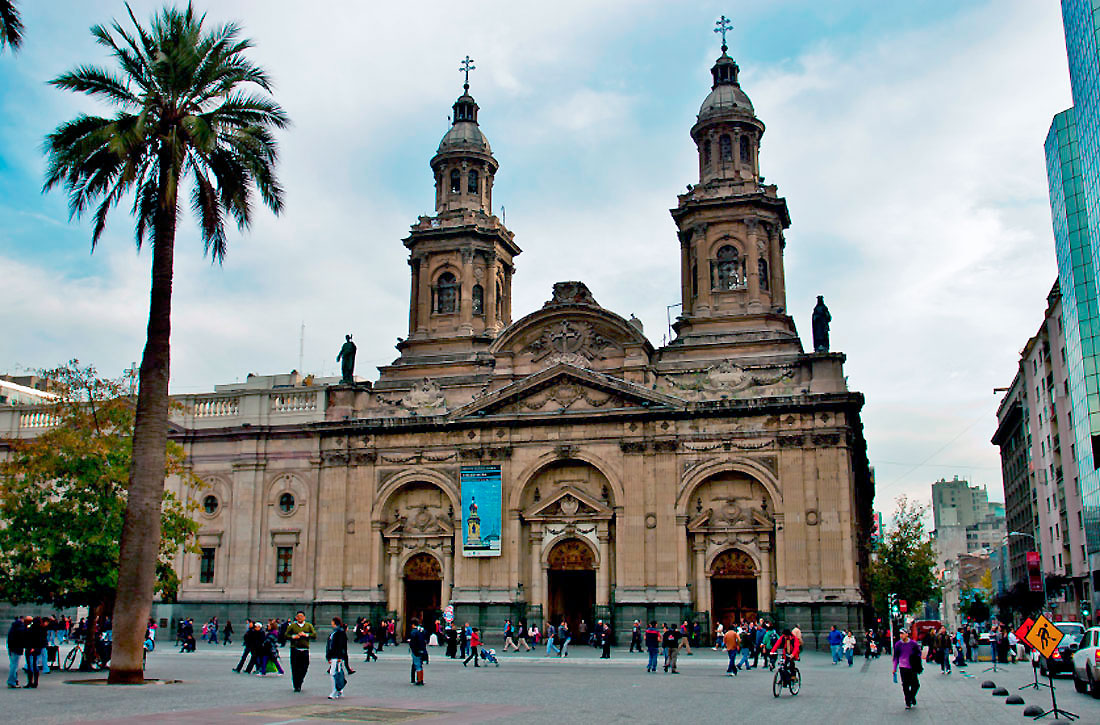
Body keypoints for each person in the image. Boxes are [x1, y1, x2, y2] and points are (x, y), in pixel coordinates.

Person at [285, 611, 316, 693]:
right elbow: (286, 635)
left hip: (305, 649)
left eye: (301, 616)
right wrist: (293, 636)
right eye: (298, 616)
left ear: (304, 617)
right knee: (295, 668)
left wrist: (306, 635)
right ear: (296, 617)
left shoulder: (309, 625)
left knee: (305, 667)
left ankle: (300, 679)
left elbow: (314, 635)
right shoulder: (292, 626)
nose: (300, 618)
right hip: (295, 649)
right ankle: (296, 685)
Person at [893, 627, 922, 710]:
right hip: (903, 667)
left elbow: (919, 653)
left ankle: (911, 696)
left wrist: (916, 660)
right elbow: (896, 657)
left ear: (907, 634)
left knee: (916, 685)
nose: (901, 635)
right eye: (900, 634)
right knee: (905, 685)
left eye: (902, 633)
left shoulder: (913, 644)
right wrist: (894, 668)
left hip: (912, 667)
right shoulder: (898, 644)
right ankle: (908, 702)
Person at [326, 617, 348, 699]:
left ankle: (335, 691)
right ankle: (339, 690)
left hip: (336, 656)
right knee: (337, 673)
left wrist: (340, 657)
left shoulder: (339, 633)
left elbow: (341, 646)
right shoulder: (335, 632)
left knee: (334, 674)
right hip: (333, 656)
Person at [7, 616, 26, 688]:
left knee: (13, 665)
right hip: (17, 648)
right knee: (14, 666)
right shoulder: (20, 629)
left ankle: (13, 680)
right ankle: (12, 681)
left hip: (12, 648)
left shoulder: (13, 628)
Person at [408, 618, 428, 685]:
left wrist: (411, 645)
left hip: (416, 650)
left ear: (413, 624)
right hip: (422, 649)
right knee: (420, 665)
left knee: (417, 665)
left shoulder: (414, 632)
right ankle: (421, 679)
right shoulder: (421, 631)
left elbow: (413, 642)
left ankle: (419, 680)